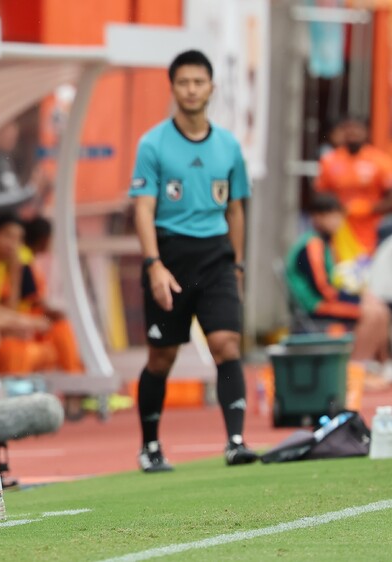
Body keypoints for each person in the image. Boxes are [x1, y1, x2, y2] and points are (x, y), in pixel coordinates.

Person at [129, 50, 258, 472]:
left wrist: (237, 266)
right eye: (183, 82)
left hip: (216, 257)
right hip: (170, 257)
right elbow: (144, 208)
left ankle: (236, 441)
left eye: (198, 82)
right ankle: (150, 446)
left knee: (226, 344)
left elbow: (236, 210)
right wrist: (154, 264)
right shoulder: (152, 144)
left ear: (211, 88)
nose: (191, 90)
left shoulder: (229, 146)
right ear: (173, 88)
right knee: (161, 357)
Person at [286, 194, 390, 363]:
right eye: (333, 216)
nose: (338, 222)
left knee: (380, 309)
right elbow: (323, 289)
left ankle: (378, 363)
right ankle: (356, 365)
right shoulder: (313, 244)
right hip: (315, 304)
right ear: (317, 217)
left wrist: (361, 297)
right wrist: (357, 300)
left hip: (326, 300)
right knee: (372, 314)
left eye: (339, 216)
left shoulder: (325, 242)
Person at [316, 116, 392, 257]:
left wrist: (368, 208)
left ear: (366, 131)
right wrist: (335, 212)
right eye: (348, 129)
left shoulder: (379, 161)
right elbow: (321, 196)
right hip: (339, 229)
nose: (352, 133)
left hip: (373, 228)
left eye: (357, 129)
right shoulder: (330, 160)